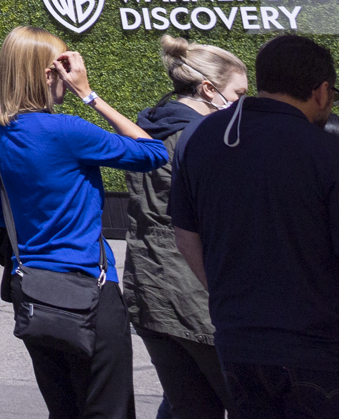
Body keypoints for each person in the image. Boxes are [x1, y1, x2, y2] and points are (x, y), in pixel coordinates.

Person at [0, 25, 165, 419]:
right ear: (48, 74)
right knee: (108, 409)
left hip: (31, 290)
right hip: (91, 293)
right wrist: (90, 95)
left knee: (63, 409)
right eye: (64, 65)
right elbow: (152, 152)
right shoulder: (68, 130)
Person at [169, 31, 339, 419]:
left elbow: (185, 237)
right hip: (321, 349)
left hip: (239, 343)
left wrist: (226, 297)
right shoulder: (332, 148)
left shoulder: (200, 136)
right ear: (321, 91)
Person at [121, 36, 241, 419]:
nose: (243, 105)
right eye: (239, 94)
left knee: (188, 406)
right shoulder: (205, 139)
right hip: (198, 298)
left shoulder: (148, 129)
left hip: (149, 292)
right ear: (209, 89)